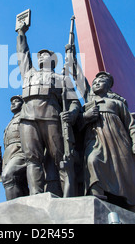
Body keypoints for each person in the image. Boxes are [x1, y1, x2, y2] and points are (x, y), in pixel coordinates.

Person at [16, 22, 81, 196]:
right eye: (40, 55)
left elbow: (75, 102)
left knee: (62, 159)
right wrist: (21, 32)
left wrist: (72, 114)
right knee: (32, 159)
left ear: (53, 60)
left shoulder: (61, 78)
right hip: (28, 118)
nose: (41, 57)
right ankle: (36, 197)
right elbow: (22, 54)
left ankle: (69, 197)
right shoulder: (29, 73)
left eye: (45, 55)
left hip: (51, 117)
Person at [80, 71, 135, 215]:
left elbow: (131, 125)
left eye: (101, 81)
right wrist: (86, 117)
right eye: (95, 81)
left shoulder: (117, 103)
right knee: (93, 161)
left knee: (127, 172)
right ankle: (97, 198)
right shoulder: (88, 103)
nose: (96, 83)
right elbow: (78, 78)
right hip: (96, 140)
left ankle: (134, 208)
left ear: (109, 86)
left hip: (118, 142)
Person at [0, 95, 28, 200]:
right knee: (19, 184)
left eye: (17, 101)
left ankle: (13, 210)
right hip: (9, 155)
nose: (13, 103)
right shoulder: (10, 123)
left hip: (21, 151)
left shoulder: (25, 116)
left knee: (8, 175)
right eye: (12, 101)